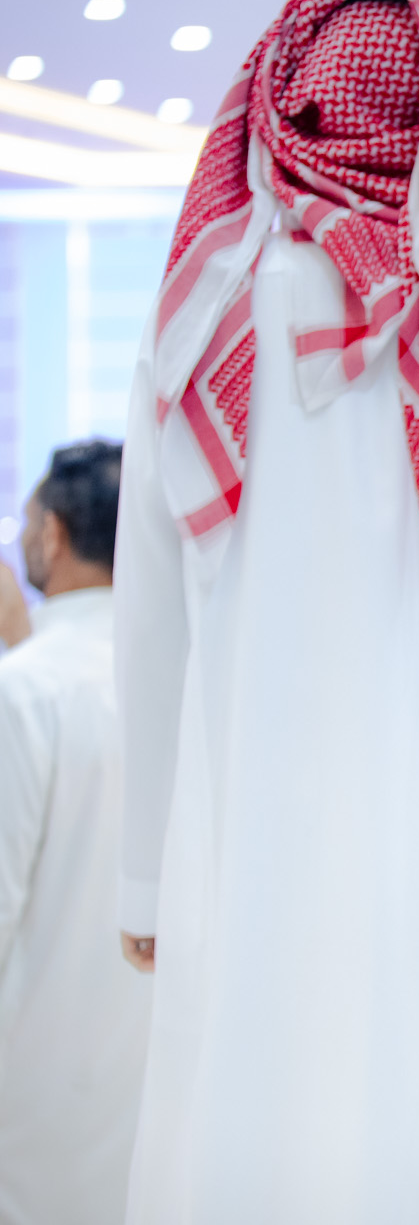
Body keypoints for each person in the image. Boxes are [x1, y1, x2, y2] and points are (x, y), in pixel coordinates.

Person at [113, 0, 419, 1223]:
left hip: (240, 816)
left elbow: (150, 616)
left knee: (245, 1117)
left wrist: (146, 867)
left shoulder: (200, 321)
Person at [0, 442, 151, 1224]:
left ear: (53, 534)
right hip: (153, 1089)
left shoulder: (26, 690)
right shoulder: (181, 680)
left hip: (32, 1092)